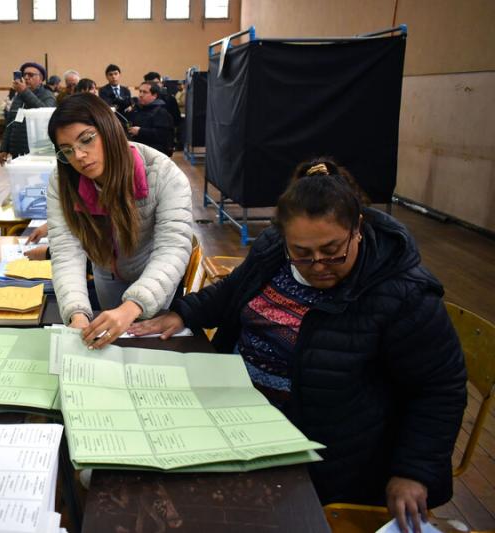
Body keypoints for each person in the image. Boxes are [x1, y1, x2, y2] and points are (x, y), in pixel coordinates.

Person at [129, 157, 467, 533]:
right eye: (302, 253)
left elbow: (439, 388)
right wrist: (184, 313)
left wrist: (413, 471)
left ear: (357, 227)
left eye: (332, 250)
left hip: (320, 450)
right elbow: (234, 289)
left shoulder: (403, 295)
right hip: (233, 408)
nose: (318, 264)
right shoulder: (275, 249)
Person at [47, 93, 193, 347]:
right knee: (111, 347)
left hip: (154, 273)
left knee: (149, 348)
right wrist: (77, 314)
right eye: (67, 150)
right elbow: (66, 250)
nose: (79, 156)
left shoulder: (164, 174)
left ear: (110, 129)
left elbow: (173, 248)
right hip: (106, 273)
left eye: (87, 140)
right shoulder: (62, 182)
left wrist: (132, 306)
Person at [0, 62, 57, 166]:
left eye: (30, 75)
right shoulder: (18, 96)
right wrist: (4, 148)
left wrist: (25, 91)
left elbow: (44, 114)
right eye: (24, 75)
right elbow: (10, 123)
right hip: (17, 151)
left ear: (41, 79)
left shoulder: (48, 96)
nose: (26, 77)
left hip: (38, 152)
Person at [125, 82, 174, 156]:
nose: (140, 95)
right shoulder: (137, 109)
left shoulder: (161, 112)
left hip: (155, 154)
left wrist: (140, 131)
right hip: (139, 151)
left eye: (145, 92)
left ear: (154, 95)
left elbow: (162, 135)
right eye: (140, 91)